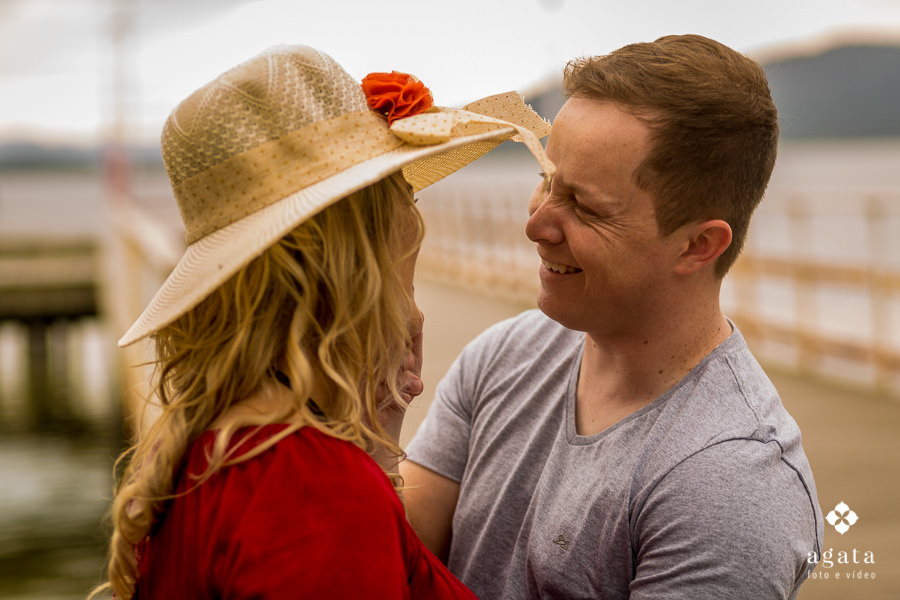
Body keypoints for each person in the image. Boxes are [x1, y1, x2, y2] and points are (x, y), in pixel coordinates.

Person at [90, 44, 554, 599]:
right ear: (358, 269)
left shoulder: (198, 455)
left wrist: (375, 448)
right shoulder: (314, 490)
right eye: (402, 200)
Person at [402, 34, 825, 599]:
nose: (535, 224)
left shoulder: (729, 482)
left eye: (585, 207)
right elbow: (391, 557)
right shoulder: (505, 354)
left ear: (698, 245)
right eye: (545, 180)